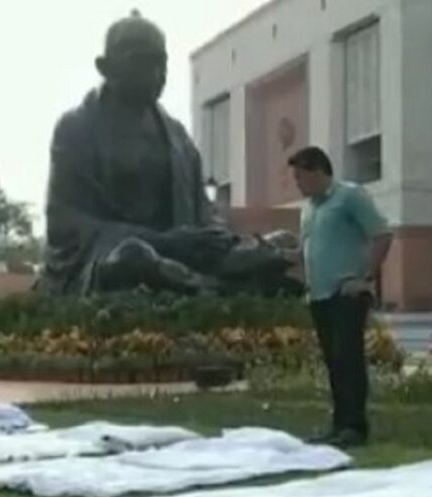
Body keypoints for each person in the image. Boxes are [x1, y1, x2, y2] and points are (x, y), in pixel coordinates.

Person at [36, 10, 300, 297]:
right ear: (106, 67)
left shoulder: (177, 137)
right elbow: (66, 221)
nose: (156, 74)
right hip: (113, 253)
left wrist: (214, 236)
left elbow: (203, 212)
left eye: (161, 63)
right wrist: (162, 241)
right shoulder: (76, 128)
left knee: (276, 245)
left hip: (181, 253)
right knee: (132, 257)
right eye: (141, 62)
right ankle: (199, 285)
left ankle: (194, 281)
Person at [289, 146, 393, 447]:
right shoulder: (309, 208)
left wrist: (365, 278)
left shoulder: (350, 196)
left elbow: (382, 234)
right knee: (334, 361)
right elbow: (307, 249)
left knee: (348, 359)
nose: (298, 184)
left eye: (300, 177)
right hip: (319, 295)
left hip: (346, 292)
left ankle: (355, 427)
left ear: (317, 171)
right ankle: (338, 425)